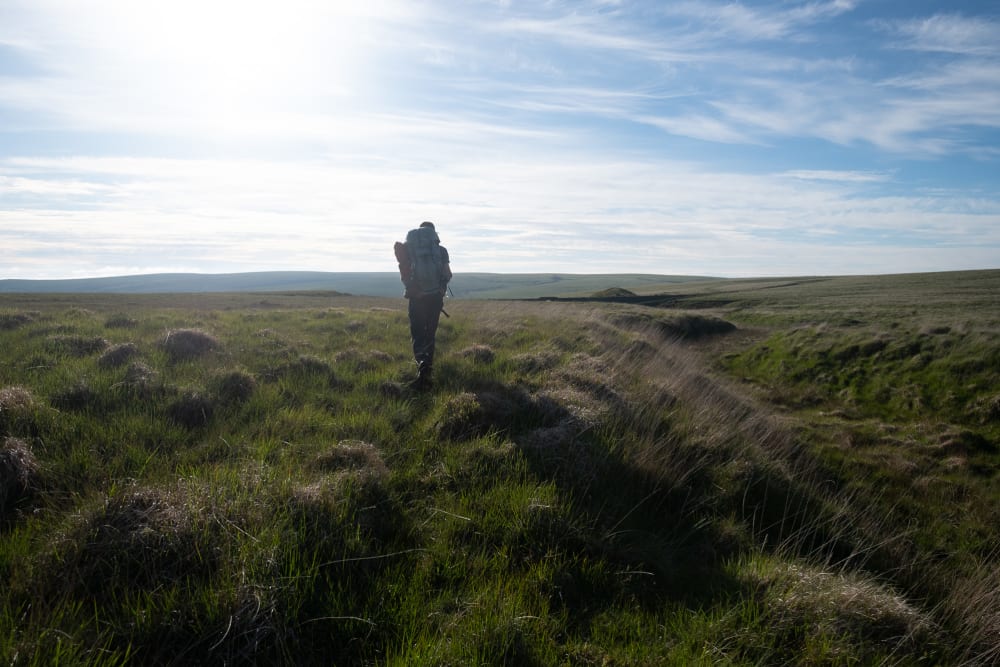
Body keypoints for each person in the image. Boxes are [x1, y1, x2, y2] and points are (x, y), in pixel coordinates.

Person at [395, 221, 452, 389]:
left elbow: (404, 270)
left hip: (416, 298)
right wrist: (440, 289)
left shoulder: (410, 249)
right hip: (435, 298)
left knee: (418, 334)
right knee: (430, 333)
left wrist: (414, 290)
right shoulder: (440, 251)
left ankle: (421, 366)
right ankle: (428, 369)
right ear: (434, 234)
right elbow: (447, 273)